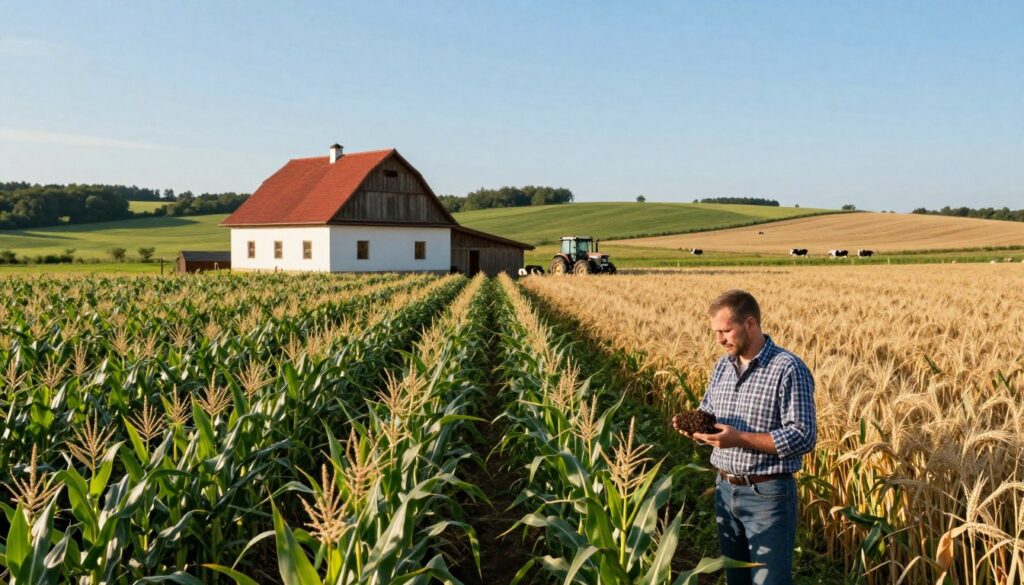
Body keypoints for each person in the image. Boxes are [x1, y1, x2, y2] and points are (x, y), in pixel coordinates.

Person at [672, 289, 816, 585]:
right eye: (715, 332)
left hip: (768, 495)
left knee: (769, 581)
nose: (720, 340)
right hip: (724, 490)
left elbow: (803, 436)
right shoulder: (723, 367)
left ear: (750, 324)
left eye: (726, 331)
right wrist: (695, 428)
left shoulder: (788, 369)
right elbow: (708, 413)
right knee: (736, 580)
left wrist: (739, 439)